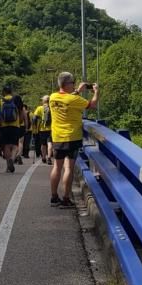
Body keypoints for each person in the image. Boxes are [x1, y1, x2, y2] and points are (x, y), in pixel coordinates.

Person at [49, 72, 99, 208]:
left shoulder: (53, 97)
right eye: (73, 82)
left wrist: (77, 90)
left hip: (57, 137)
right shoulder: (75, 100)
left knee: (57, 167)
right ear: (67, 84)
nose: (74, 84)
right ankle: (66, 198)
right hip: (71, 137)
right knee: (68, 168)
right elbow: (92, 105)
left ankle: (54, 197)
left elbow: (67, 99)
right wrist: (96, 92)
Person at [0, 86, 24, 173]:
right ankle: (12, 159)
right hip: (15, 126)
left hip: (4, 126)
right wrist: (20, 121)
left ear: (4, 92)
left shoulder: (0, 101)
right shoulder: (16, 100)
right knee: (15, 145)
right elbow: (21, 112)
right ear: (11, 92)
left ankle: (8, 162)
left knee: (6, 145)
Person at [32, 95, 52, 165]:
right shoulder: (52, 108)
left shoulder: (39, 108)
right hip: (51, 129)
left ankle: (43, 157)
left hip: (42, 129)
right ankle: (49, 157)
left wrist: (34, 126)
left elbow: (34, 118)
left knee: (43, 144)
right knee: (50, 143)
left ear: (43, 101)